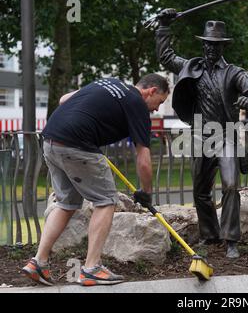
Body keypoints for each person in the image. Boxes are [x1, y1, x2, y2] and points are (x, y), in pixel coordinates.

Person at [22, 74, 169, 286]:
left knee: (66, 204)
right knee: (106, 201)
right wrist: (145, 192)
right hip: (77, 145)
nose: (156, 109)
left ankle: (39, 262)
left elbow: (64, 99)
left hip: (51, 140)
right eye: (160, 102)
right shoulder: (137, 103)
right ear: (152, 90)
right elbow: (143, 159)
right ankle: (92, 268)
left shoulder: (109, 82)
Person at [155, 9, 248, 258]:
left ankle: (231, 240)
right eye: (207, 45)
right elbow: (165, 56)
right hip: (200, 137)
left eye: (215, 46)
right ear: (203, 45)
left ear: (222, 47)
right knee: (200, 191)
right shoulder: (191, 67)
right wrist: (163, 26)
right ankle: (209, 234)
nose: (210, 49)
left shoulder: (233, 72)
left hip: (225, 136)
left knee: (230, 186)